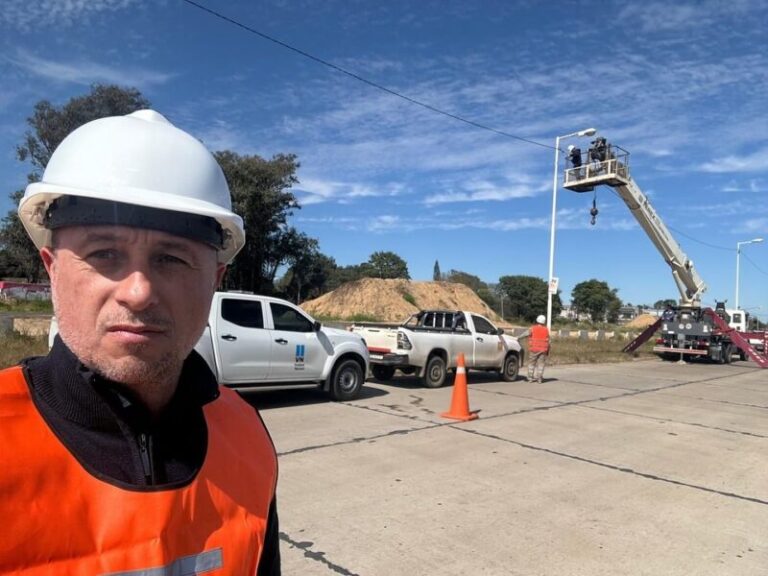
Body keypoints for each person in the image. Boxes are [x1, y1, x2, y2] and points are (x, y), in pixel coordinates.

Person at [1, 110, 280, 574]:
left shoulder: (247, 436)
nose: (138, 292)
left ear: (214, 281)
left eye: (171, 259)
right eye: (104, 253)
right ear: (52, 269)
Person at [519, 314, 550, 383]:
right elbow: (548, 341)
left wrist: (518, 337)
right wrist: (548, 351)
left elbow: (525, 334)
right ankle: (539, 379)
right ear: (544, 321)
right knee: (541, 365)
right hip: (543, 350)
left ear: (537, 320)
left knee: (531, 364)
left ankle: (530, 378)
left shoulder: (533, 328)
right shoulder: (546, 330)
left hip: (534, 349)